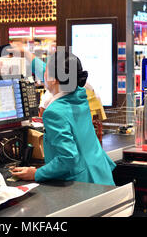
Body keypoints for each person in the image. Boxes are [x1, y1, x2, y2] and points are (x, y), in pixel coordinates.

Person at [9, 43, 116, 185]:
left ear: (54, 79)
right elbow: (54, 72)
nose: (43, 74)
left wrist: (36, 173)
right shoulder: (79, 95)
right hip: (100, 175)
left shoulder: (54, 112)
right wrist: (26, 52)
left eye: (46, 71)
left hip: (82, 185)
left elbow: (68, 158)